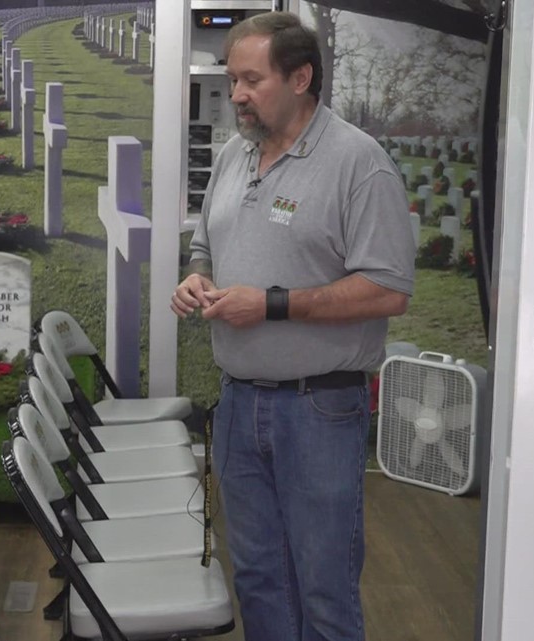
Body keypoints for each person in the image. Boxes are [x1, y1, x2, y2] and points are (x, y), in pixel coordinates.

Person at [170, 12, 415, 641]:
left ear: (301, 76)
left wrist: (272, 304)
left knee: (323, 584)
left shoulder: (360, 164)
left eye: (252, 79)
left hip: (320, 410)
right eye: (233, 79)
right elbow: (205, 246)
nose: (238, 94)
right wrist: (196, 277)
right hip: (237, 405)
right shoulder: (234, 156)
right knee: (256, 577)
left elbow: (388, 291)